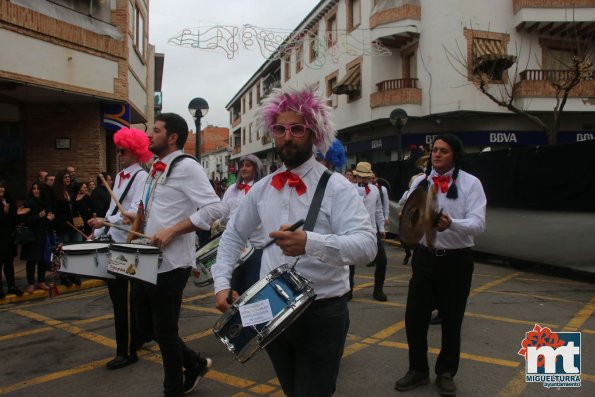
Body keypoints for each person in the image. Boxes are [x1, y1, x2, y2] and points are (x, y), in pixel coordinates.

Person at [212, 85, 377, 397]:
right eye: (280, 129)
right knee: (291, 389)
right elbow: (232, 236)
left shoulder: (338, 187)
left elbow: (368, 247)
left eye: (297, 129)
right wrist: (221, 282)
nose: (287, 136)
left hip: (322, 312)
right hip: (271, 307)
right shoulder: (261, 189)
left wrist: (310, 243)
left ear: (313, 133)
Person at [127, 113, 223, 397]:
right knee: (146, 327)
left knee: (165, 331)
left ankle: (174, 389)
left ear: (172, 137)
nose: (149, 135)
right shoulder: (155, 168)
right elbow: (155, 210)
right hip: (145, 260)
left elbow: (215, 209)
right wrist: (131, 218)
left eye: (155, 131)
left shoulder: (186, 166)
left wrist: (172, 231)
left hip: (171, 264)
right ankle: (194, 363)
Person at [394, 134, 486, 397]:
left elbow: (479, 224)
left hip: (457, 261)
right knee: (414, 318)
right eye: (434, 150)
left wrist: (453, 224)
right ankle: (418, 370)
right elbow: (407, 209)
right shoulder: (421, 181)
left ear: (454, 154)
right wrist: (408, 217)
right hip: (425, 258)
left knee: (452, 320)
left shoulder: (471, 184)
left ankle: (445, 372)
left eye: (443, 151)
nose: (436, 154)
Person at [88, 127, 151, 370]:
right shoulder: (120, 176)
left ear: (135, 151)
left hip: (127, 245)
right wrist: (100, 228)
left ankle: (126, 352)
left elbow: (135, 211)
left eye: (123, 150)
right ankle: (137, 339)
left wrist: (108, 221)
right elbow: (113, 212)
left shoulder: (142, 177)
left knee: (123, 301)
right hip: (114, 242)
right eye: (118, 150)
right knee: (125, 299)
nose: (119, 154)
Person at [218, 154, 265, 294]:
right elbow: (223, 212)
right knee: (234, 289)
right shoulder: (232, 189)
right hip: (236, 247)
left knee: (253, 289)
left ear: (256, 169)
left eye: (248, 165)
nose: (243, 169)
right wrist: (216, 221)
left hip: (257, 248)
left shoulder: (262, 189)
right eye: (242, 166)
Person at [352, 162, 388, 302]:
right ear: (356, 177)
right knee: (350, 262)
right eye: (359, 177)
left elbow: (378, 210)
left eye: (365, 178)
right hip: (354, 230)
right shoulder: (350, 189)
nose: (362, 180)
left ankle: (378, 290)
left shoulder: (375, 190)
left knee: (382, 261)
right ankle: (348, 290)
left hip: (372, 231)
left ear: (370, 178)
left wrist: (381, 228)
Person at [20, 182, 54, 293]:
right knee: (31, 260)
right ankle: (30, 283)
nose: (35, 190)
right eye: (34, 188)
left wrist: (49, 218)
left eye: (38, 189)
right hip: (32, 236)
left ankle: (41, 281)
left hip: (43, 234)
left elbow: (48, 218)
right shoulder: (28, 203)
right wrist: (38, 217)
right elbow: (27, 220)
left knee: (42, 260)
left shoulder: (46, 203)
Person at [51, 170, 82, 286]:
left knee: (74, 249)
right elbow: (56, 209)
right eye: (65, 177)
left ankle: (73, 273)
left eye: (68, 177)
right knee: (64, 251)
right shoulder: (55, 192)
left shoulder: (70, 190)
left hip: (72, 225)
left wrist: (76, 201)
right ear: (60, 179)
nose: (68, 179)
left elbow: (73, 207)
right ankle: (64, 275)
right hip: (62, 225)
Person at [0, 180, 24, 297]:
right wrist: (3, 213)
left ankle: (11, 286)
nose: (1, 189)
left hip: (9, 238)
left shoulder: (9, 201)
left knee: (9, 263)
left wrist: (18, 214)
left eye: (2, 187)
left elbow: (13, 221)